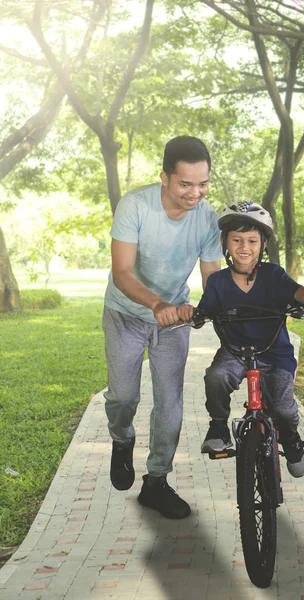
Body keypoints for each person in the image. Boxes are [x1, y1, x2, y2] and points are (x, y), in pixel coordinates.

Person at [103, 136, 222, 518]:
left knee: (169, 406)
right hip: (126, 313)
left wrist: (211, 308)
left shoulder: (207, 218)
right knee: (123, 397)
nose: (195, 193)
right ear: (165, 178)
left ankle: (156, 482)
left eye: (203, 184)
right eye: (185, 184)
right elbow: (122, 273)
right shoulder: (136, 205)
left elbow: (213, 279)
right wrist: (156, 304)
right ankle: (122, 440)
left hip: (173, 322)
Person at [191, 201, 304, 477]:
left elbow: (297, 291)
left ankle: (289, 438)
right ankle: (218, 425)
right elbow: (206, 308)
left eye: (252, 240)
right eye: (237, 239)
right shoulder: (218, 281)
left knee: (283, 409)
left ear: (263, 244)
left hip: (274, 353)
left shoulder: (273, 275)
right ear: (225, 243)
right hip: (234, 351)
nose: (244, 247)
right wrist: (195, 314)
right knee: (216, 377)